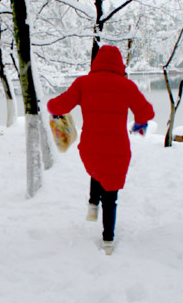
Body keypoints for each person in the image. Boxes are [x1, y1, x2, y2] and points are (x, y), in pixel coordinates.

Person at [47, 45, 154, 255]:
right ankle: (107, 240)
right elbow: (146, 112)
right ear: (119, 64)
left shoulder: (83, 83)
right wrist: (140, 122)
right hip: (117, 148)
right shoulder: (127, 86)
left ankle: (92, 205)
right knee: (111, 195)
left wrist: (51, 105)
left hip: (90, 146)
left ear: (96, 63)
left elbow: (57, 107)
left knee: (97, 170)